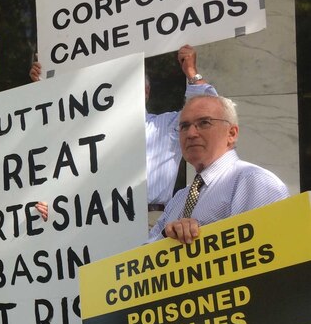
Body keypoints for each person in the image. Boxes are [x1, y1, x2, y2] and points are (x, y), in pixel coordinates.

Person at [31, 45, 218, 227]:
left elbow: (208, 112)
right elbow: (57, 136)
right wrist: (44, 89)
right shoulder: (90, 135)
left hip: (151, 223)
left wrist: (192, 72)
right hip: (102, 223)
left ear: (146, 92)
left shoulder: (166, 126)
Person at [149, 95, 289, 243]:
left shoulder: (255, 182)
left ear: (231, 133)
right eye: (184, 126)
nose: (191, 134)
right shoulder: (179, 199)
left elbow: (269, 249)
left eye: (204, 123)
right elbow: (143, 256)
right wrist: (167, 234)